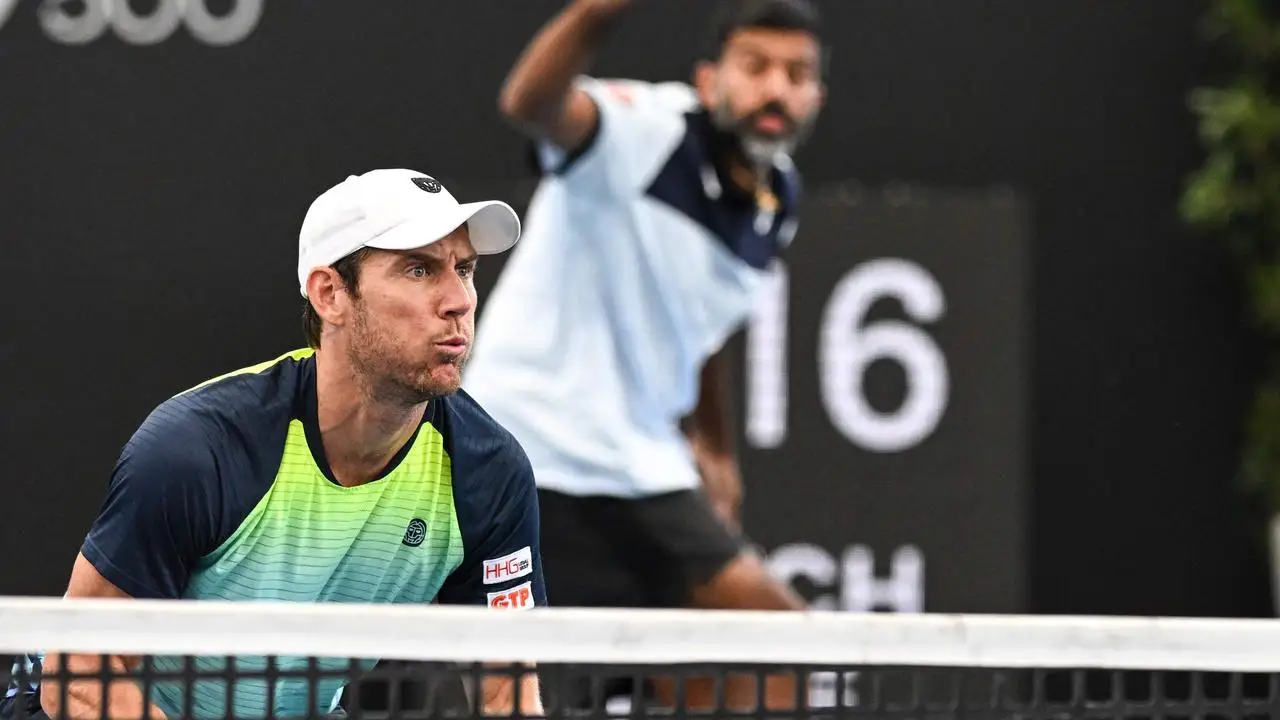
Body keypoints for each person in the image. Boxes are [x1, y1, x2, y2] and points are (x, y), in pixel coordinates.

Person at [2, 169, 545, 720]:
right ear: (330, 294)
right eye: (419, 268)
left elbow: (507, 690)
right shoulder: (197, 449)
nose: (459, 300)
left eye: (466, 269)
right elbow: (81, 676)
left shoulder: (488, 472)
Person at [462, 0, 826, 712]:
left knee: (778, 657)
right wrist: (602, 10)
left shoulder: (777, 201)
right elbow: (530, 101)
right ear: (708, 79)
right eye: (755, 67)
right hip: (527, 456)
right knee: (519, 702)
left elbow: (701, 324)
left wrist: (714, 445)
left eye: (797, 73)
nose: (776, 89)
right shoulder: (641, 131)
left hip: (643, 471)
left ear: (817, 95)